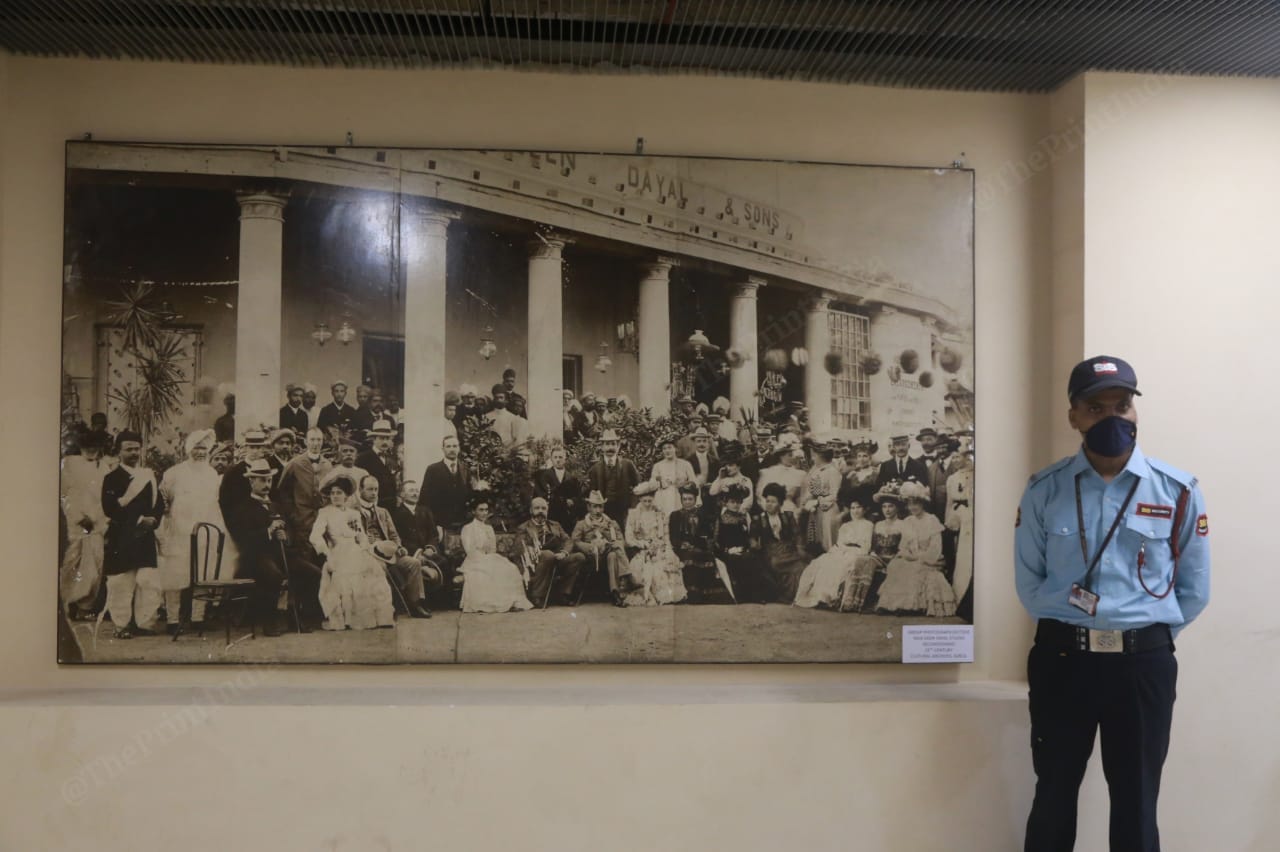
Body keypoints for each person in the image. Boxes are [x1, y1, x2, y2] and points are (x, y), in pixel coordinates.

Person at [1015, 355, 1210, 852]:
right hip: (1063, 661)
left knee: (1138, 801)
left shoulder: (1176, 490)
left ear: (1136, 411)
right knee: (1053, 796)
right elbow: (1029, 583)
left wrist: (1140, 632)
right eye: (1096, 408)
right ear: (1074, 416)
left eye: (1122, 406)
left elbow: (1194, 588)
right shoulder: (1044, 489)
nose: (1113, 418)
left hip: (1142, 666)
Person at [226, 458, 322, 635]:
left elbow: (290, 531)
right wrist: (268, 532)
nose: (266, 484)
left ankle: (296, 616)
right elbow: (243, 539)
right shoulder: (243, 509)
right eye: (262, 480)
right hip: (256, 557)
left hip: (282, 554)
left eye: (269, 480)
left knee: (312, 573)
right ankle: (270, 620)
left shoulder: (277, 506)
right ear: (251, 481)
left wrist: (285, 537)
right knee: (274, 576)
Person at [156, 429, 237, 633]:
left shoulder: (211, 474)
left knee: (203, 570)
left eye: (203, 448)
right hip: (180, 529)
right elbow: (164, 498)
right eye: (196, 448)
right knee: (176, 573)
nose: (200, 452)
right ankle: (173, 620)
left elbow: (215, 502)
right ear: (188, 449)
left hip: (206, 529)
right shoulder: (174, 473)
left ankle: (197, 617)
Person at [100, 430, 166, 638]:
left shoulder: (149, 476)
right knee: (122, 582)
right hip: (122, 537)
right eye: (129, 449)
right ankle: (122, 626)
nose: (134, 453)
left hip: (145, 536)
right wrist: (138, 520)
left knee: (147, 581)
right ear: (119, 452)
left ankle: (144, 623)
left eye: (137, 449)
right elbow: (110, 508)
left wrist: (153, 519)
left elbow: (159, 504)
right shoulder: (111, 478)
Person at [309, 474, 395, 630]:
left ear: (346, 495)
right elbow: (315, 536)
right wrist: (327, 554)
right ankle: (349, 619)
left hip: (356, 550)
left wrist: (365, 548)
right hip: (338, 551)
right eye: (333, 493)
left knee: (375, 572)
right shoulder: (325, 513)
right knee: (347, 577)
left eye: (339, 493)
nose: (335, 496)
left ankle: (378, 618)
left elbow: (361, 535)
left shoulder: (353, 514)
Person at [353, 476, 435, 618]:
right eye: (369, 489)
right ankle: (385, 608)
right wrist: (366, 540)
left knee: (413, 563)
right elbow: (352, 535)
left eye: (376, 490)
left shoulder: (383, 512)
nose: (373, 493)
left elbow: (394, 534)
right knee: (380, 567)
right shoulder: (353, 512)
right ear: (360, 490)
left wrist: (399, 547)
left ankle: (416, 603)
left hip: (389, 552)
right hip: (366, 553)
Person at [60, 430, 111, 617]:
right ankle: (70, 602)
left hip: (98, 523)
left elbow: (106, 497)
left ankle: (85, 607)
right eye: (87, 447)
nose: (91, 450)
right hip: (78, 522)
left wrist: (101, 520)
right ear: (80, 447)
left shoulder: (104, 467)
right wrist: (79, 518)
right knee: (74, 563)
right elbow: (64, 494)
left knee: (95, 566)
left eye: (95, 447)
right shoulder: (69, 464)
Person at [457, 495, 533, 613]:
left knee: (510, 568)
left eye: (486, 510)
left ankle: (512, 601)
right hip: (474, 560)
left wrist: (488, 555)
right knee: (487, 572)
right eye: (480, 510)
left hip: (489, 557)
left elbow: (492, 549)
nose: (484, 513)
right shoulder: (467, 528)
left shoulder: (489, 528)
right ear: (474, 511)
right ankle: (491, 604)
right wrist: (483, 555)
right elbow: (469, 550)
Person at [795, 497, 873, 609]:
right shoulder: (845, 526)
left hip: (857, 551)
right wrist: (841, 550)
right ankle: (820, 596)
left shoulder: (868, 525)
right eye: (852, 508)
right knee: (824, 562)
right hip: (841, 550)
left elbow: (866, 545)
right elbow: (840, 543)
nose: (855, 511)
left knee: (843, 565)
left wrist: (854, 549)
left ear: (864, 510)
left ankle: (832, 598)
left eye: (858, 508)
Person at [841, 484, 906, 612]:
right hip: (879, 558)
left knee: (873, 562)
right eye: (884, 506)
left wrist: (898, 556)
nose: (887, 510)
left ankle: (866, 603)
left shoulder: (903, 525)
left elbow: (905, 546)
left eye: (891, 506)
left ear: (897, 508)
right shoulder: (878, 525)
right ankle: (854, 601)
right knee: (861, 560)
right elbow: (874, 546)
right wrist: (873, 553)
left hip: (896, 558)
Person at [622, 483, 687, 606]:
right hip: (641, 550)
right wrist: (643, 544)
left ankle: (666, 596)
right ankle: (647, 595)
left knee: (664, 564)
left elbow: (666, 535)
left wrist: (664, 547)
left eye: (649, 501)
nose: (647, 503)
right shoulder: (633, 514)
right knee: (643, 568)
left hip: (658, 548)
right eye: (644, 501)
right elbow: (629, 538)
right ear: (640, 499)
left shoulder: (659, 513)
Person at [515, 497, 585, 607]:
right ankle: (537, 595)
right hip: (536, 561)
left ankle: (563, 594)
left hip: (557, 558)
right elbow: (521, 548)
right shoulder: (524, 528)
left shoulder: (555, 525)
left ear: (547, 511)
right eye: (537, 508)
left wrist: (564, 553)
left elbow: (568, 540)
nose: (540, 511)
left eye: (543, 508)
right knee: (548, 554)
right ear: (531, 510)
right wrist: (536, 551)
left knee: (579, 557)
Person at [275, 427, 333, 552]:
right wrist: (293, 514)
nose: (316, 443)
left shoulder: (328, 465)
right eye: (312, 439)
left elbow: (331, 491)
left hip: (322, 519)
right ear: (306, 442)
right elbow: (283, 491)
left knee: (322, 553)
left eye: (319, 440)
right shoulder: (295, 464)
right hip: (301, 519)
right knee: (304, 554)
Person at [571, 490, 633, 606]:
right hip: (590, 556)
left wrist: (611, 543)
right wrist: (591, 547)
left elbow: (621, 540)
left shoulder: (611, 523)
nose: (598, 511)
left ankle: (615, 592)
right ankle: (628, 576)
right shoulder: (582, 524)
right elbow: (575, 541)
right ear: (589, 507)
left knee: (613, 554)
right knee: (612, 554)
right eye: (595, 507)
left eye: (600, 507)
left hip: (608, 555)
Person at [712, 483, 768, 604]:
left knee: (754, 559)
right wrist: (726, 550)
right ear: (726, 503)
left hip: (742, 551)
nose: (736, 505)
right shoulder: (721, 519)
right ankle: (743, 595)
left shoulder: (743, 518)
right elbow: (716, 540)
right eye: (732, 502)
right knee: (741, 561)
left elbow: (746, 537)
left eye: (738, 502)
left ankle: (757, 595)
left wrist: (747, 547)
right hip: (727, 552)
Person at [756, 481, 808, 602]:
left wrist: (799, 547)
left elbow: (797, 534)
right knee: (776, 562)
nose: (769, 504)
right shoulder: (759, 519)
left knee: (801, 567)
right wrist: (754, 543)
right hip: (771, 552)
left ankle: (793, 596)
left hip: (788, 550)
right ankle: (787, 595)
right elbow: (753, 536)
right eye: (767, 501)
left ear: (780, 504)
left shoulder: (788, 517)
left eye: (773, 502)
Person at [586, 429, 641, 528]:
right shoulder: (595, 469)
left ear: (618, 446)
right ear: (602, 447)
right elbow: (592, 492)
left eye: (613, 444)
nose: (610, 448)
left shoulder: (627, 464)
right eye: (607, 444)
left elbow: (638, 487)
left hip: (623, 510)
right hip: (604, 511)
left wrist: (632, 507)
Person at [422, 435, 471, 534]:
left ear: (459, 448)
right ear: (443, 449)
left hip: (462, 523)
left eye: (454, 446)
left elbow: (469, 495)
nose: (452, 449)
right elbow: (425, 499)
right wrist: (433, 524)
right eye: (448, 446)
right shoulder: (433, 469)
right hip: (440, 524)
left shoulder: (465, 468)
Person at [801, 439, 843, 554]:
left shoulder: (832, 471)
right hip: (815, 511)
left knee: (828, 540)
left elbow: (834, 494)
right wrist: (808, 501)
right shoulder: (815, 471)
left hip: (828, 510)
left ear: (820, 456)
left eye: (814, 455)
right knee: (816, 540)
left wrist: (818, 501)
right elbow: (810, 490)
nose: (813, 458)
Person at [533, 445, 585, 532]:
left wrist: (573, 501)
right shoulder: (544, 476)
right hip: (551, 515)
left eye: (560, 457)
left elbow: (578, 496)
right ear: (551, 459)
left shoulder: (572, 478)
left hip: (567, 517)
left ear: (565, 459)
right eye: (555, 457)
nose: (558, 460)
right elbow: (541, 495)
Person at [646, 437, 697, 516]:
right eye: (664, 448)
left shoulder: (685, 464)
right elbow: (652, 485)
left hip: (679, 497)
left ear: (675, 449)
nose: (667, 451)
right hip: (663, 498)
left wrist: (684, 484)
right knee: (664, 520)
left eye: (669, 447)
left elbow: (694, 482)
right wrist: (661, 482)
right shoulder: (658, 466)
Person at [356, 419, 399, 510]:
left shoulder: (392, 459)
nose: (384, 442)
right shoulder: (363, 459)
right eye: (381, 438)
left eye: (387, 438)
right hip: (373, 506)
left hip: (392, 506)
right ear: (373, 439)